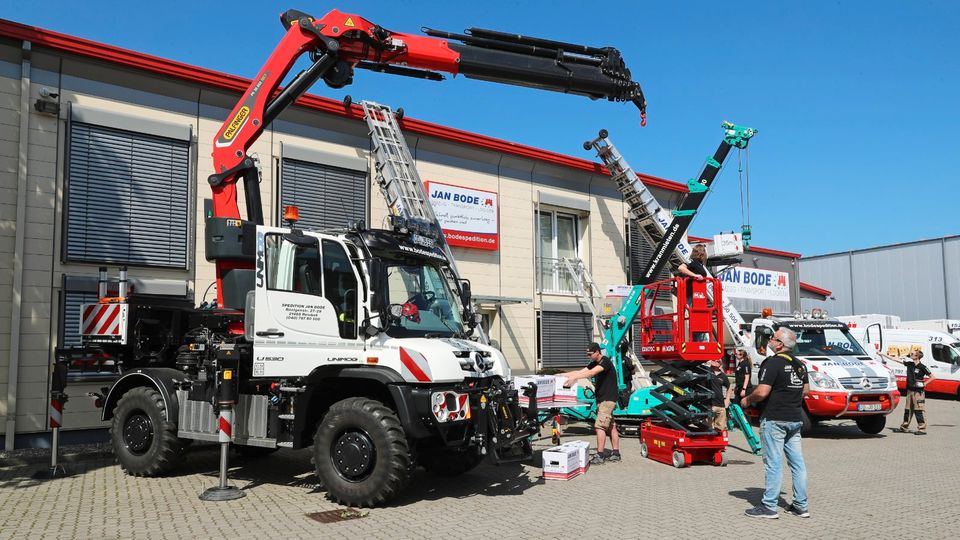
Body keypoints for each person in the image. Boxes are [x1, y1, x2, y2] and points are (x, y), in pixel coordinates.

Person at [741, 327, 810, 519]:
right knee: (798, 464)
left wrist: (747, 399)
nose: (770, 339)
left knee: (773, 464)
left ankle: (769, 506)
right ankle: (801, 506)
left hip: (775, 419)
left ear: (780, 344)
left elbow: (762, 392)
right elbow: (806, 391)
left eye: (773, 338)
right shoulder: (799, 364)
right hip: (795, 419)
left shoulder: (772, 363)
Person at [560, 342, 621, 464]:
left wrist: (575, 379)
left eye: (590, 354)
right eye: (587, 354)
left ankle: (600, 455)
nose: (588, 356)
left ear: (597, 352)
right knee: (611, 426)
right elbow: (580, 372)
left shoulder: (605, 362)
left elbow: (591, 373)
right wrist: (561, 375)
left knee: (599, 426)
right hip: (603, 400)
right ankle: (616, 453)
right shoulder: (594, 363)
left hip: (607, 400)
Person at [894, 349, 935, 435]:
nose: (910, 354)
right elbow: (896, 360)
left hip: (918, 392)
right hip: (910, 391)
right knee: (907, 410)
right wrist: (882, 354)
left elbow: (933, 377)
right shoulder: (910, 364)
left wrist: (924, 384)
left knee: (918, 410)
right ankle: (904, 427)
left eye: (912, 354)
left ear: (917, 356)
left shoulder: (923, 367)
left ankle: (922, 429)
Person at [678, 243, 711, 341]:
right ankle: (699, 340)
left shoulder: (700, 264)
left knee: (699, 317)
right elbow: (681, 268)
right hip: (691, 294)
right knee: (695, 317)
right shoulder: (692, 261)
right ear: (701, 253)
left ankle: (701, 340)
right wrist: (695, 275)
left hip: (698, 295)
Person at [707, 359, 730, 431]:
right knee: (708, 428)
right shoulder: (706, 371)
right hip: (709, 404)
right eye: (714, 359)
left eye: (718, 361)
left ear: (721, 364)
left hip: (720, 405)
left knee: (720, 429)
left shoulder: (723, 376)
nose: (716, 361)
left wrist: (727, 400)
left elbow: (729, 387)